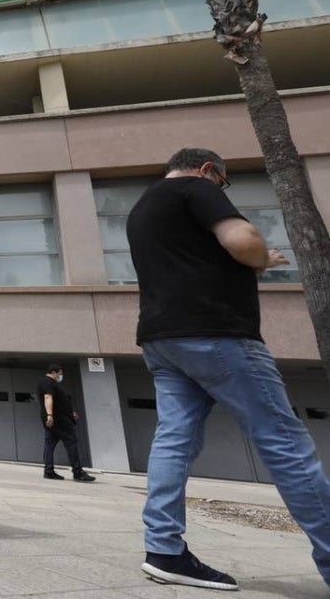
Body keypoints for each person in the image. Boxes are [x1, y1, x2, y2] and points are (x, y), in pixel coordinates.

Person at [127, 147, 330, 591]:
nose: (222, 190)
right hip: (216, 334)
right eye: (225, 183)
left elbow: (191, 263)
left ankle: (164, 550)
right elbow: (241, 241)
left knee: (173, 440)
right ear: (207, 170)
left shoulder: (143, 207)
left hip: (162, 340)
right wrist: (263, 257)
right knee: (284, 443)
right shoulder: (196, 188)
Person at [37, 364, 95, 482]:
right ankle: (77, 472)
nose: (60, 376)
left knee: (50, 443)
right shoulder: (48, 383)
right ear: (53, 372)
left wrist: (70, 412)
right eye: (60, 373)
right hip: (59, 420)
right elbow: (48, 397)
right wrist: (50, 415)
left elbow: (59, 402)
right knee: (71, 442)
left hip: (56, 419)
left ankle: (49, 471)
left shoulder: (46, 383)